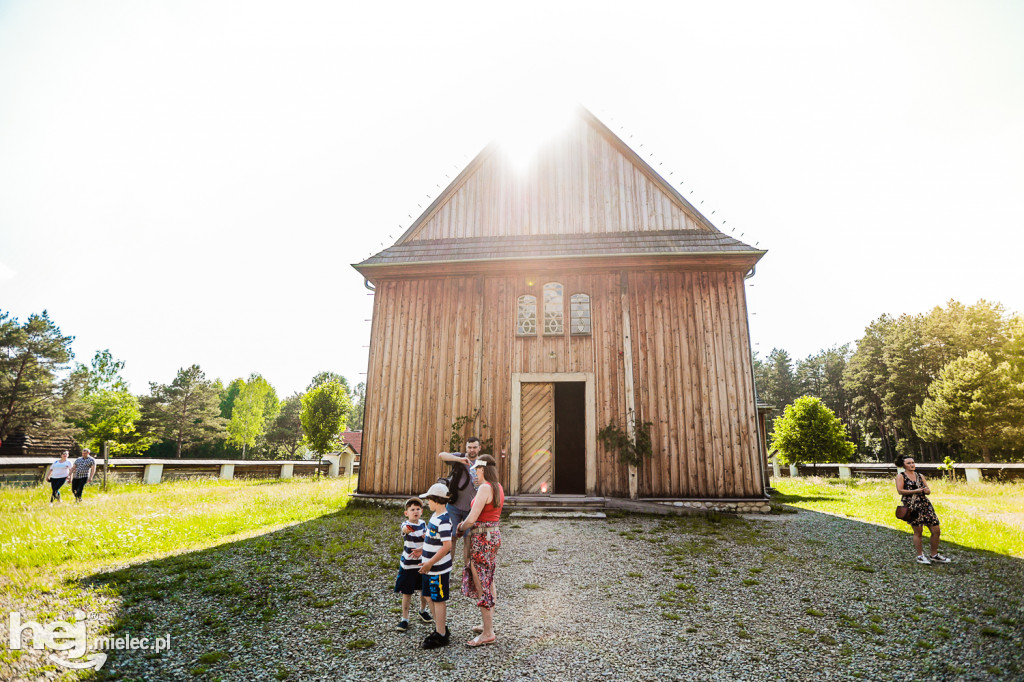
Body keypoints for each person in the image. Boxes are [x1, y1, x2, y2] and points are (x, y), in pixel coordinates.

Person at [457, 454, 504, 647]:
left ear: (483, 469)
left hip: (482, 538)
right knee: (489, 578)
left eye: (477, 469)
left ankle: (488, 632)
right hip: (493, 536)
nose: (475, 472)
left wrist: (460, 528)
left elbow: (471, 518)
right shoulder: (497, 487)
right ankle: (488, 623)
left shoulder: (485, 488)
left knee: (481, 582)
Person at [895, 455, 950, 564]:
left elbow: (928, 490)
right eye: (909, 463)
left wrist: (925, 490)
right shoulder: (901, 476)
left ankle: (934, 554)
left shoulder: (920, 475)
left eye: (913, 462)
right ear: (903, 465)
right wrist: (916, 491)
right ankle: (920, 556)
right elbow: (900, 491)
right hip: (912, 506)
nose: (912, 465)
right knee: (918, 531)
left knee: (936, 530)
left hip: (925, 504)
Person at [418, 482, 453, 649]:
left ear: (437, 500)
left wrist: (431, 562)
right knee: (427, 595)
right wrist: (421, 550)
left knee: (438, 599)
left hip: (437, 569)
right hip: (428, 567)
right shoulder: (434, 517)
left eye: (429, 500)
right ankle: (440, 627)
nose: (427, 503)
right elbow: (432, 540)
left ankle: (441, 634)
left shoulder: (444, 520)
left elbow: (447, 546)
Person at [394, 498, 433, 631]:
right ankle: (404, 618)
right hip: (408, 565)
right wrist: (407, 530)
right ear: (406, 513)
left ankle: (422, 610)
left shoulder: (423, 523)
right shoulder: (405, 524)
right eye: (412, 510)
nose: (415, 512)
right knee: (407, 591)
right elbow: (404, 529)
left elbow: (428, 537)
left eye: (417, 509)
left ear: (421, 511)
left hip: (422, 563)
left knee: (423, 590)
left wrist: (425, 537)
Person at [438, 437, 480, 555]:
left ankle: (467, 571)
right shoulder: (459, 457)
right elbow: (441, 455)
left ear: (479, 448)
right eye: (469, 447)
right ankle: (448, 570)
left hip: (471, 509)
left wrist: (481, 483)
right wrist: (460, 459)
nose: (472, 450)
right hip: (454, 505)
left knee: (469, 539)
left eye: (475, 447)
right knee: (451, 538)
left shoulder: (482, 462)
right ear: (466, 448)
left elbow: (490, 482)